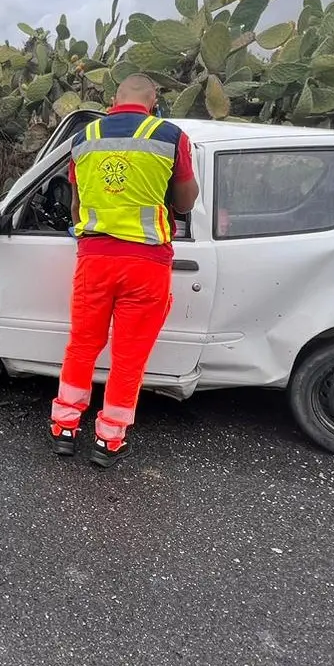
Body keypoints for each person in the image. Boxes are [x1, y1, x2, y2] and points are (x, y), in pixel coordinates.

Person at [49, 73, 198, 468]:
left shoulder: (84, 138)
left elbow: (77, 207)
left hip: (95, 259)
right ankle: (108, 440)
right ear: (154, 100)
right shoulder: (170, 136)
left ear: (115, 98)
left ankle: (64, 427)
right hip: (147, 265)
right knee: (129, 357)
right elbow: (185, 202)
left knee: (82, 345)